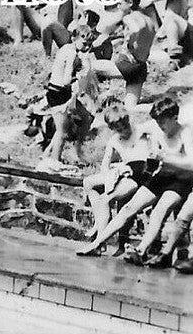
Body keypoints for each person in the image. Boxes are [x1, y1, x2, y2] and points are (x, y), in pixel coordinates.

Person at [77, 96, 193, 258]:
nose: (160, 125)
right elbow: (142, 112)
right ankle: (96, 244)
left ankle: (141, 250)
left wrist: (163, 157)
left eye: (162, 122)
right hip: (161, 175)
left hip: (180, 179)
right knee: (128, 208)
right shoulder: (157, 129)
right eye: (158, 121)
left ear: (174, 118)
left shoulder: (185, 132)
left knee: (158, 211)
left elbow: (190, 163)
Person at [80, 103, 159, 248]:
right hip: (126, 172)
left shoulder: (141, 130)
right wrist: (110, 176)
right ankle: (99, 223)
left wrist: (133, 108)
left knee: (106, 199)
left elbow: (156, 115)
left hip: (140, 173)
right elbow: (105, 164)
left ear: (128, 120)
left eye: (125, 125)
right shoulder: (114, 140)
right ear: (112, 129)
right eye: (119, 129)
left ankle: (100, 238)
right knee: (88, 182)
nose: (124, 130)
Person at [36, 25, 99, 171]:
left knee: (85, 118)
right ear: (73, 38)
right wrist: (80, 77)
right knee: (62, 132)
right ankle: (54, 162)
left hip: (59, 92)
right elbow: (65, 81)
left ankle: (76, 151)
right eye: (84, 44)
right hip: (59, 93)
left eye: (89, 45)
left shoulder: (66, 48)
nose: (86, 48)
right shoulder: (71, 54)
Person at [91, 0, 156, 106]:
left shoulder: (128, 18)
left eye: (120, 2)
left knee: (90, 66)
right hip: (140, 68)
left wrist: (131, 43)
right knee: (130, 107)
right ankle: (153, 107)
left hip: (127, 65)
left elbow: (135, 29)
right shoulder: (149, 20)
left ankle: (94, 101)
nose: (118, 5)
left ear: (130, 3)